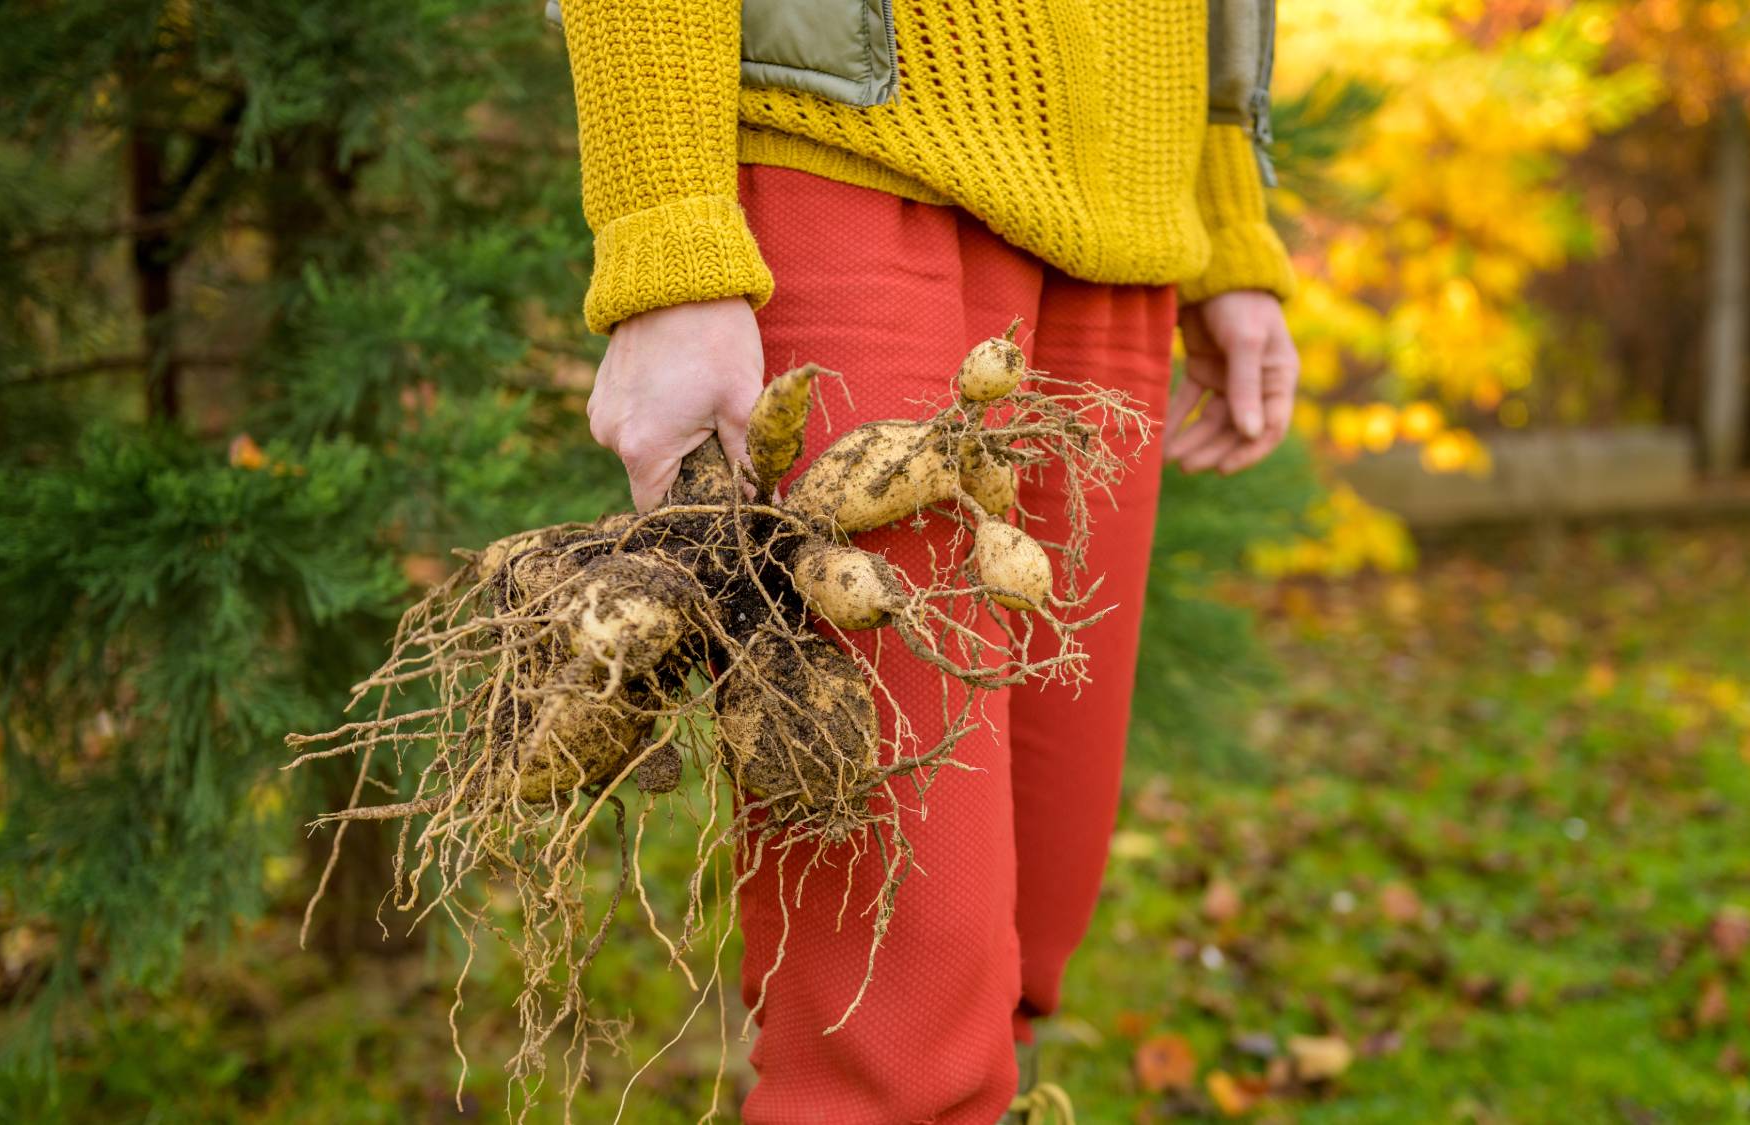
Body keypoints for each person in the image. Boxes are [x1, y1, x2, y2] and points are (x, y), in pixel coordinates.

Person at [557, 1, 1300, 1120]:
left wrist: (1224, 203)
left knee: (1026, 942)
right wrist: (665, 231)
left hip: (1125, 206)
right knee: (894, 1017)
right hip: (846, 150)